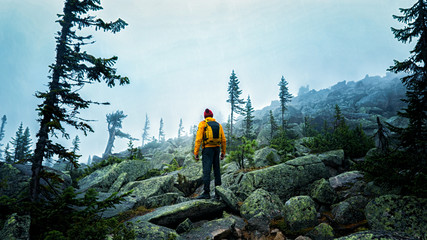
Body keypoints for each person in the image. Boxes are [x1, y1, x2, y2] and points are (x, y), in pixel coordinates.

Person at [194, 108, 226, 199]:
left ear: (205, 116)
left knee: (207, 171)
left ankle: (206, 193)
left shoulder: (203, 124)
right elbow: (223, 140)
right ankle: (218, 194)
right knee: (217, 171)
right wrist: (223, 152)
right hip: (217, 149)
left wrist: (196, 152)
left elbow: (198, 139)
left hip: (207, 149)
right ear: (212, 116)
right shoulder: (218, 125)